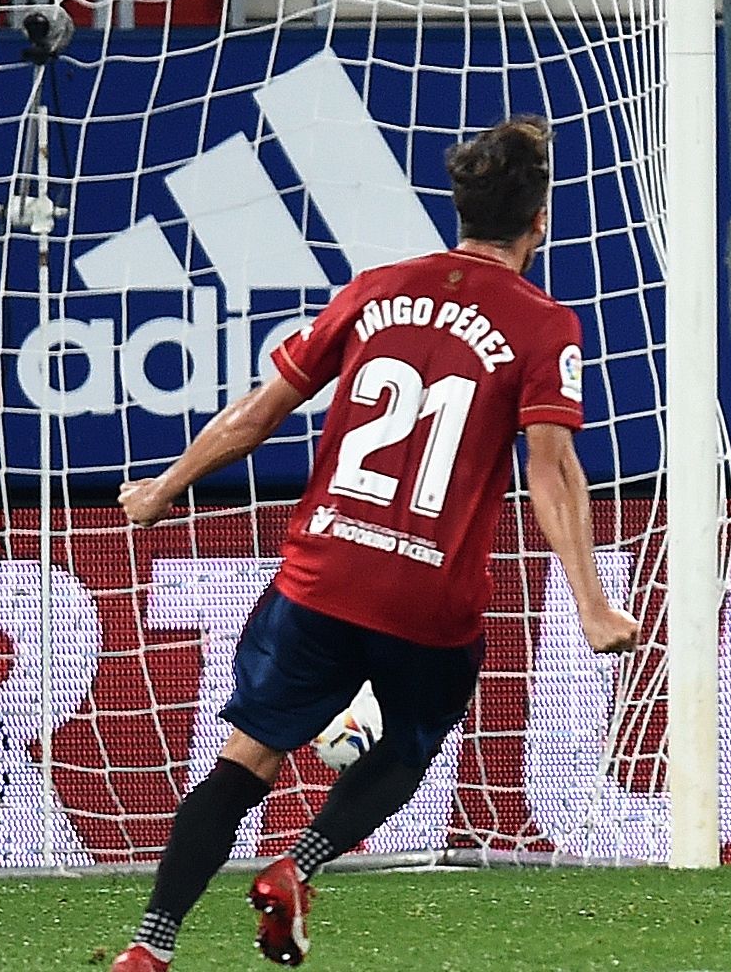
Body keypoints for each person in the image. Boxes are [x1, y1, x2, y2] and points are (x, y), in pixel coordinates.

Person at [109, 116, 642, 970]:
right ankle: (299, 865)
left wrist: (164, 488)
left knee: (246, 757)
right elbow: (551, 468)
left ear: (458, 208)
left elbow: (259, 413)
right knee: (406, 744)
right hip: (428, 598)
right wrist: (591, 603)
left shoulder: (375, 289)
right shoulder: (545, 325)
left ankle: (150, 946)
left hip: (322, 575)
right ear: (540, 222)